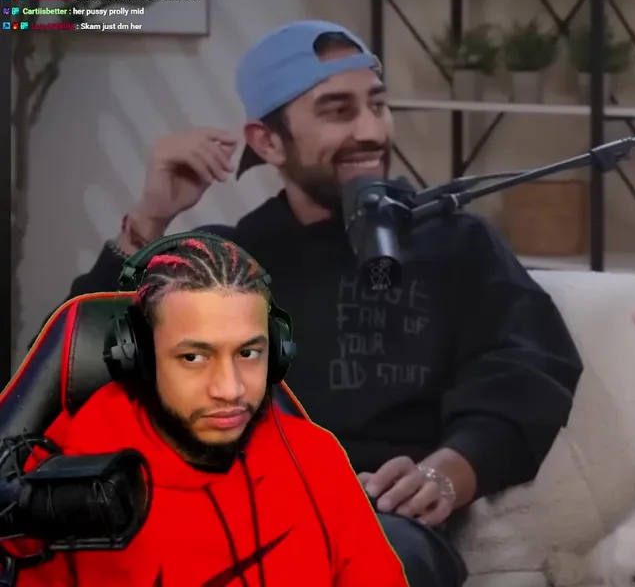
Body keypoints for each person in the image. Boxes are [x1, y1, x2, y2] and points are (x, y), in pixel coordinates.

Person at [59, 20, 583, 587]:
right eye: (338, 111)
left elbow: (527, 367)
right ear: (267, 142)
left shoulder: (456, 242)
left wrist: (449, 472)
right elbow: (70, 372)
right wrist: (149, 219)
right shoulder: (225, 261)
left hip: (378, 520)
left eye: (377, 105)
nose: (370, 131)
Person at [15, 233, 409, 586]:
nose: (230, 389)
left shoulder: (315, 459)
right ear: (141, 358)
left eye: (249, 353)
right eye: (193, 357)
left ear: (277, 352)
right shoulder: (65, 483)